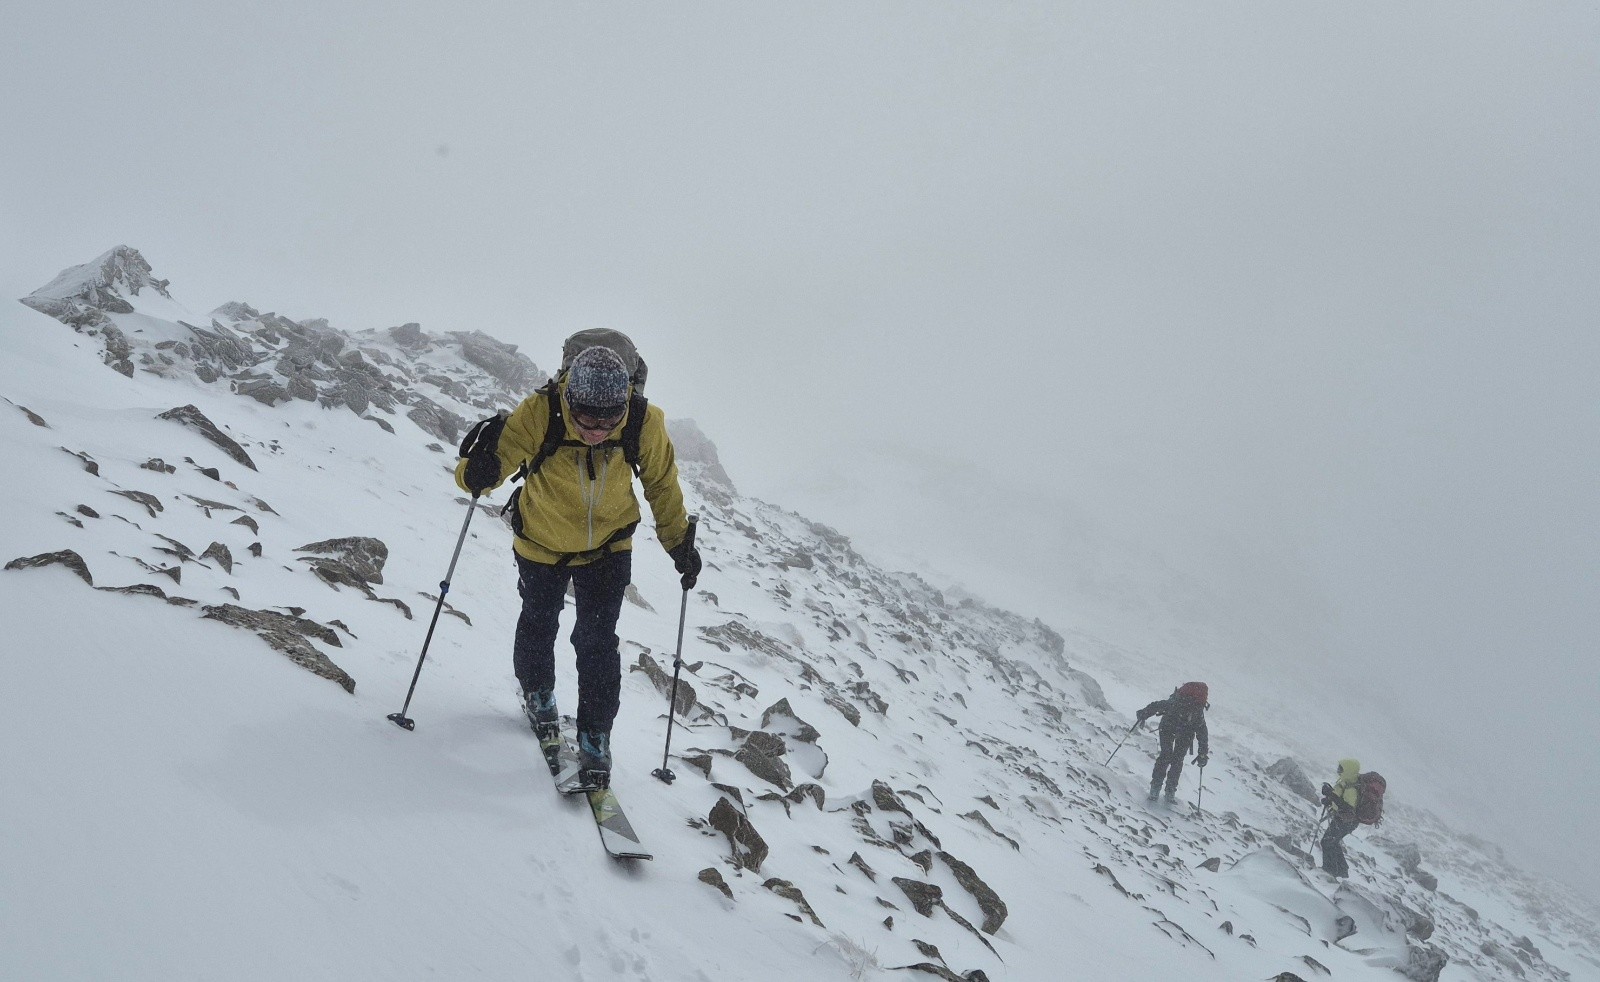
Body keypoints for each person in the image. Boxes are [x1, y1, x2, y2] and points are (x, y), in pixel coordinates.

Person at [456, 344, 700, 788]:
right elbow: (495, 462)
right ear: (570, 400)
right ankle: (538, 694)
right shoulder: (540, 412)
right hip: (541, 540)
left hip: (609, 545)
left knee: (597, 641)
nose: (597, 431)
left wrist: (678, 542)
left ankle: (595, 736)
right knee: (539, 620)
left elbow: (662, 484)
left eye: (609, 422)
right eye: (587, 420)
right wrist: (478, 472)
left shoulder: (644, 422)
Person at [1135, 681, 1210, 803]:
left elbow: (1159, 705)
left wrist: (1144, 713)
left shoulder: (1178, 703)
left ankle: (1155, 787)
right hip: (1184, 732)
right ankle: (1170, 790)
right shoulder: (1197, 710)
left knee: (1165, 755)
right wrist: (1202, 753)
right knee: (1177, 760)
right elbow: (1202, 732)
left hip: (1168, 727)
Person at [1319, 759, 1362, 878]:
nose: (1338, 770)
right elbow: (1340, 800)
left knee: (1327, 842)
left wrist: (1331, 796)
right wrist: (1330, 799)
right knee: (1332, 842)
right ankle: (1341, 871)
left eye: (1341, 768)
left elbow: (1348, 809)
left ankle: (1330, 871)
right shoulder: (1347, 782)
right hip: (1344, 821)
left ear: (1348, 771)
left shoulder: (1351, 789)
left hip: (1346, 821)